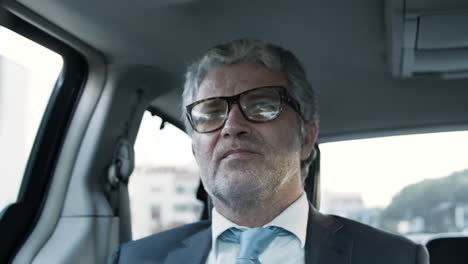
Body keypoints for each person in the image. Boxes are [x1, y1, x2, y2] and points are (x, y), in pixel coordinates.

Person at [109, 39, 429, 264]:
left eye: (262, 106)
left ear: (306, 139)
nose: (232, 125)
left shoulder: (392, 257)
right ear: (196, 150)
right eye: (210, 112)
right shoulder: (136, 259)